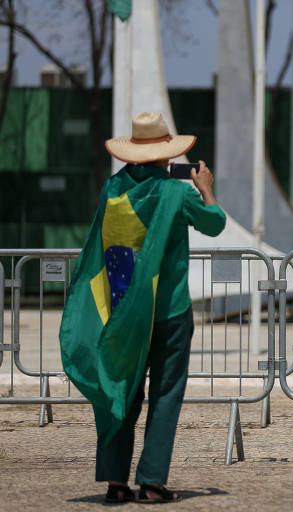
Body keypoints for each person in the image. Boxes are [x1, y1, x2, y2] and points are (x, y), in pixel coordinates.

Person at [59, 112, 226, 503]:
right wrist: (205, 188)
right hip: (168, 310)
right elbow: (215, 223)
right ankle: (152, 482)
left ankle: (116, 482)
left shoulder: (112, 188)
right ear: (168, 154)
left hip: (122, 311)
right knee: (166, 393)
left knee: (122, 390)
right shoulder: (176, 192)